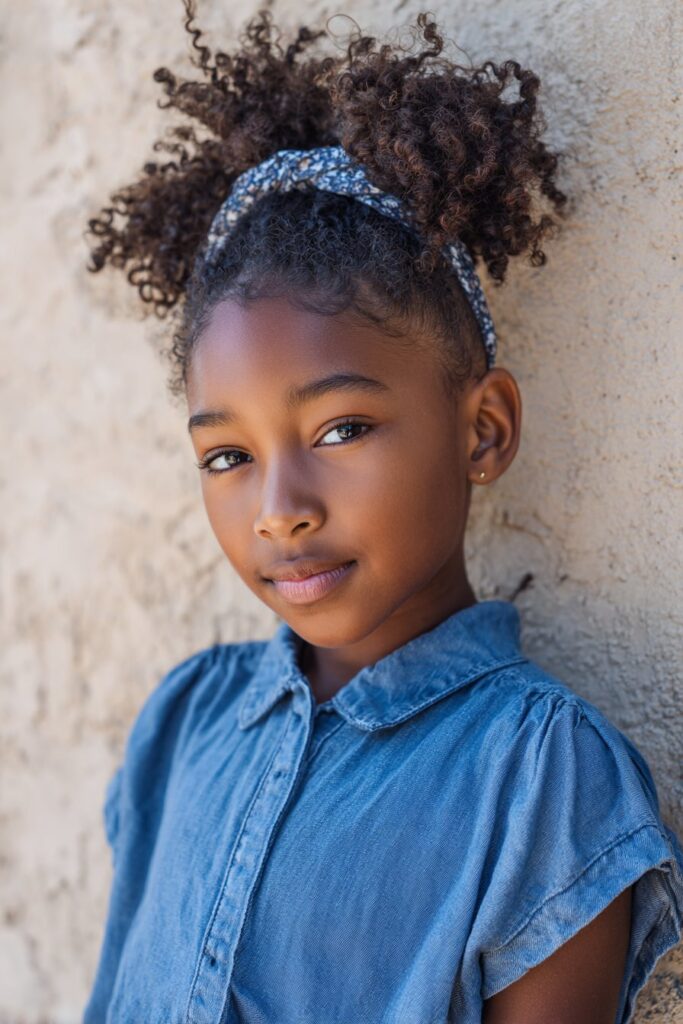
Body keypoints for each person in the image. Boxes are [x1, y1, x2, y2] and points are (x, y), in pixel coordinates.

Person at [81, 4, 683, 1022]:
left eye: (340, 429)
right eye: (227, 454)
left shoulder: (537, 775)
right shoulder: (186, 720)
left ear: (481, 430)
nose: (280, 511)